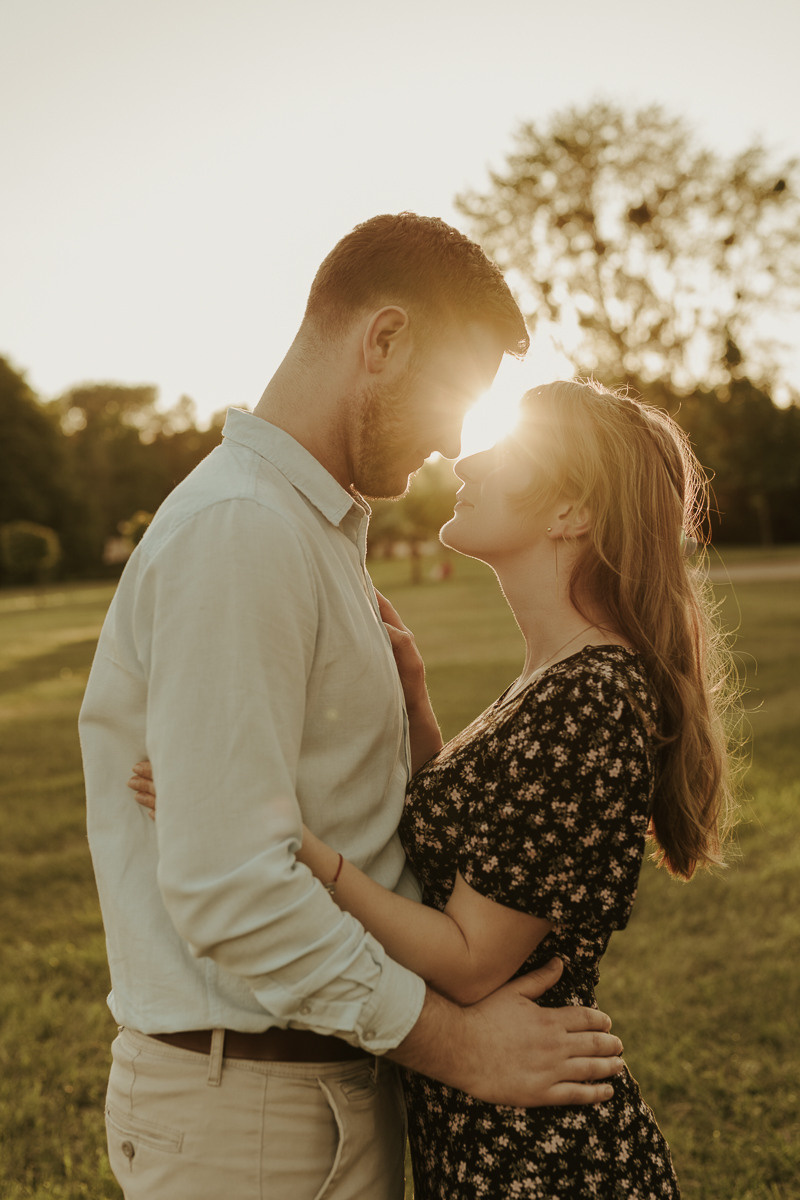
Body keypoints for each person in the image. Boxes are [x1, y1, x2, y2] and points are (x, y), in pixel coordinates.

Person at [80, 215, 624, 1200]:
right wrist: (462, 1048)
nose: (457, 442)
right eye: (454, 395)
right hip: (250, 1114)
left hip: (321, 1084)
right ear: (381, 341)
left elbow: (371, 823)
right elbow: (230, 887)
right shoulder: (244, 531)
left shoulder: (311, 527)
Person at [134, 379, 739, 1198]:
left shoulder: (591, 692)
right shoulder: (555, 676)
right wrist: (418, 710)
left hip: (543, 1158)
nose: (469, 455)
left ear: (573, 513)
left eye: (512, 449)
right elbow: (474, 864)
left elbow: (466, 962)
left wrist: (286, 835)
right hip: (492, 1136)